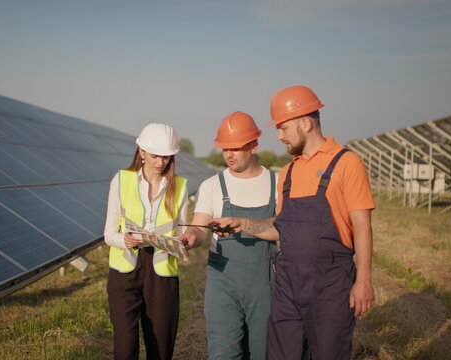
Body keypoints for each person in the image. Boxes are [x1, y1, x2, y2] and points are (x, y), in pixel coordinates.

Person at [213, 86, 375, 360]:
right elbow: (282, 228)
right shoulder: (289, 172)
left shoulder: (347, 163)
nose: (278, 136)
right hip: (288, 282)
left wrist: (364, 281)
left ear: (306, 123)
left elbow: (362, 226)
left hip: (331, 282)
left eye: (283, 128)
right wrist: (242, 223)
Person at [179, 111, 277, 359]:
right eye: (225, 149)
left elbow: (281, 231)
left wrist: (243, 223)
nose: (229, 155)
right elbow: (199, 228)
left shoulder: (276, 184)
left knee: (262, 351)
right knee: (224, 352)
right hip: (222, 281)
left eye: (236, 148)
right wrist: (191, 236)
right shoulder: (212, 186)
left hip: (264, 282)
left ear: (254, 146)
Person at [104, 123, 189, 360]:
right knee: (125, 347)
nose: (161, 162)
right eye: (155, 155)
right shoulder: (121, 180)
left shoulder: (180, 186)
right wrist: (125, 240)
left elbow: (182, 231)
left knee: (161, 348)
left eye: (166, 156)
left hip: (162, 273)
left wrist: (184, 241)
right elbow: (108, 234)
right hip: (125, 271)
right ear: (141, 152)